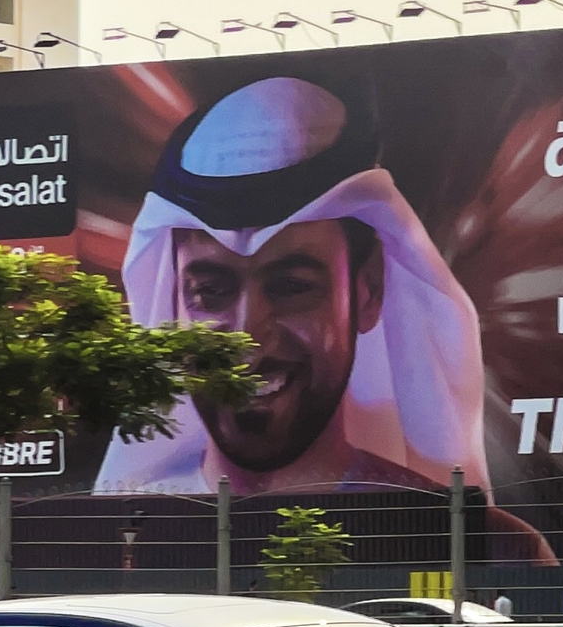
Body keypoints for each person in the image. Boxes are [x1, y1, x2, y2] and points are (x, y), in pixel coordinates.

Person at [98, 76, 490, 497]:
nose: (247, 333)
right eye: (211, 292)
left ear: (368, 289)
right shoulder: (121, 547)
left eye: (290, 286)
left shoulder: (459, 542)